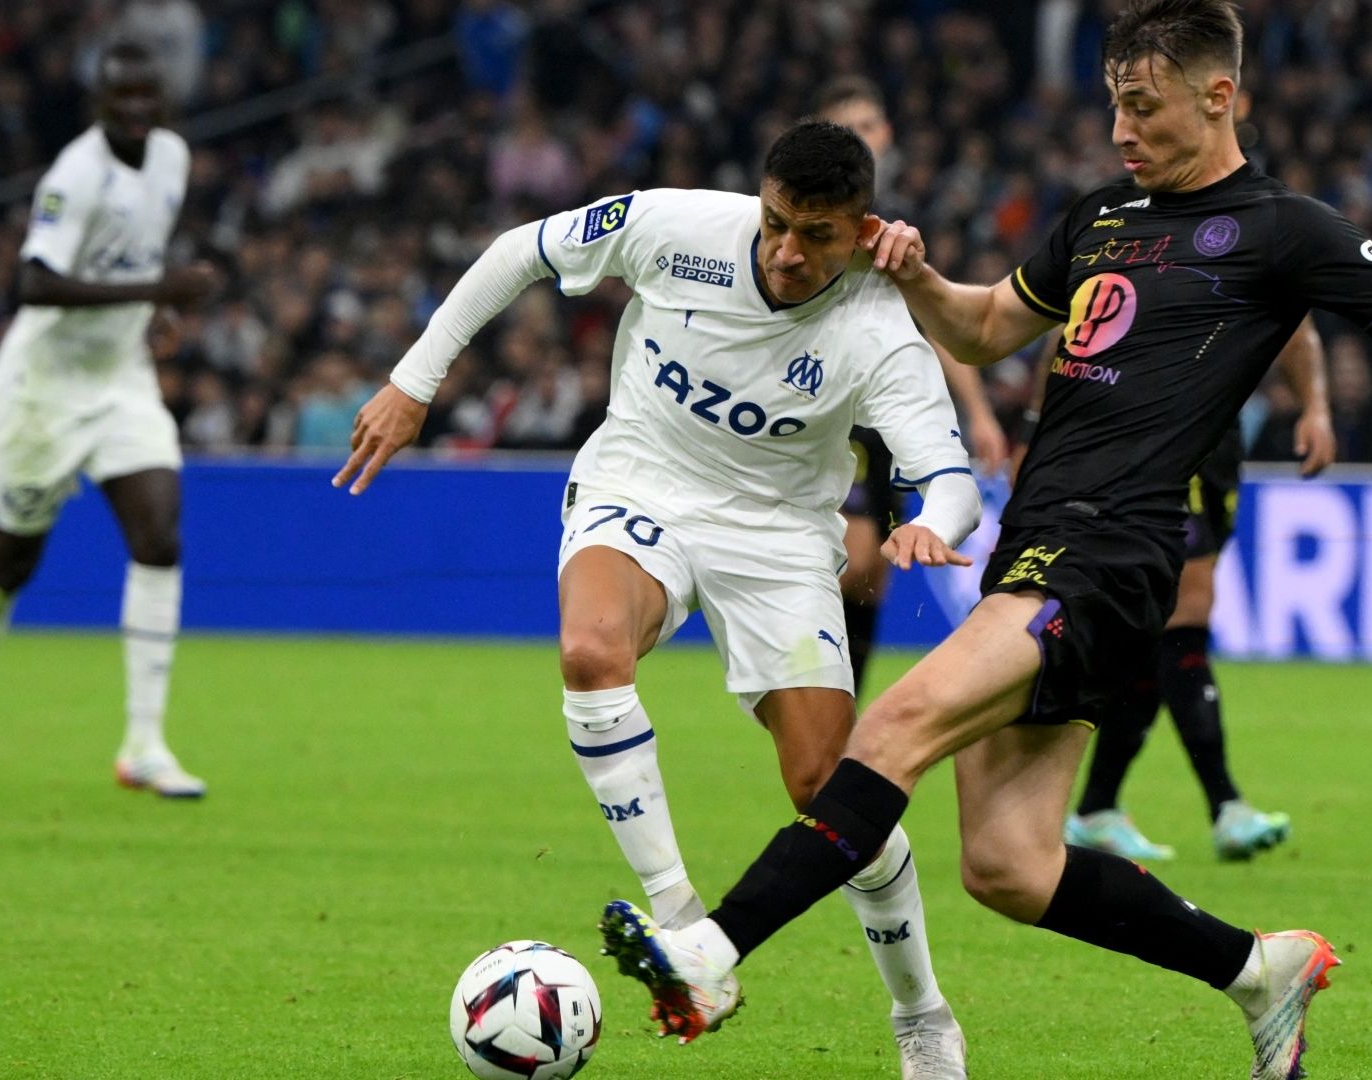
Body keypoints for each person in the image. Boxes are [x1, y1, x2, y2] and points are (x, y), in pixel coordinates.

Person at [601, 4, 1372, 1078]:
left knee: (894, 724)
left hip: (1113, 551)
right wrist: (909, 273)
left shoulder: (1284, 229)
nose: (1120, 129)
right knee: (1008, 865)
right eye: (1113, 105)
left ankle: (712, 951)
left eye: (1142, 106)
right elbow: (986, 327)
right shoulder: (1102, 216)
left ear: (1218, 96)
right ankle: (1258, 970)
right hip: (1036, 540)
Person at [335, 121, 976, 1078]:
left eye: (817, 236)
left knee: (831, 791)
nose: (787, 252)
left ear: (862, 232)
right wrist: (413, 382)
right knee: (592, 653)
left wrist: (938, 522)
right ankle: (681, 926)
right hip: (639, 485)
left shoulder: (881, 329)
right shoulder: (678, 228)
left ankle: (921, 1012)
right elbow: (523, 251)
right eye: (774, 223)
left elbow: (951, 472)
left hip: (776, 540)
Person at [0, 40, 220, 798]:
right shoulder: (76, 174)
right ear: (99, 100)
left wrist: (150, 311)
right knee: (11, 562)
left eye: (146, 97)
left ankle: (145, 746)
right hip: (41, 390)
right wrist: (157, 288)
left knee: (159, 531)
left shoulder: (172, 158)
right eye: (120, 97)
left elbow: (127, 262)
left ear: (162, 98)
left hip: (121, 381)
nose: (134, 110)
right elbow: (33, 285)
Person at [1065, 316, 1333, 863]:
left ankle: (1097, 807)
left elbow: (1295, 325)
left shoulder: (1261, 240)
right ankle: (1225, 805)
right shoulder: (1158, 245)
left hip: (1218, 438)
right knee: (1187, 611)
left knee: (1156, 637)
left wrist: (1315, 406)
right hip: (1158, 432)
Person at [817, 76, 1009, 694]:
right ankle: (807, 681)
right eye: (849, 131)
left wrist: (977, 413)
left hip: (888, 416)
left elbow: (937, 324)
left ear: (887, 136)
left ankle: (839, 702)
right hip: (829, 407)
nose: (864, 140)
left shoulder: (897, 225)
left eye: (870, 128)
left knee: (875, 573)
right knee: (857, 555)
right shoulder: (809, 218)